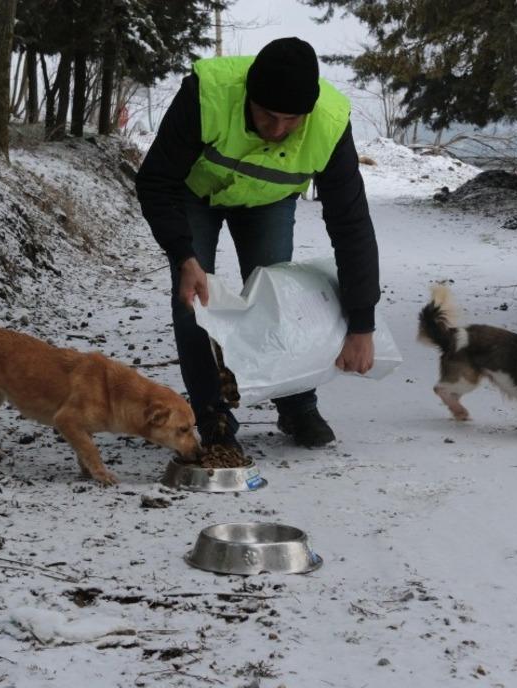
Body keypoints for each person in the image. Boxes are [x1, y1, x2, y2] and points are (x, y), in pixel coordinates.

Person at [135, 37, 380, 450]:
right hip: (195, 194)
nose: (279, 129)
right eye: (268, 115)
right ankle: (211, 414)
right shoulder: (206, 94)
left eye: (292, 119)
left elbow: (351, 222)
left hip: (268, 200)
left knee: (278, 299)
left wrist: (362, 322)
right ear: (248, 95)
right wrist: (183, 255)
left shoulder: (331, 122)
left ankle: (297, 404)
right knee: (194, 301)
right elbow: (155, 180)